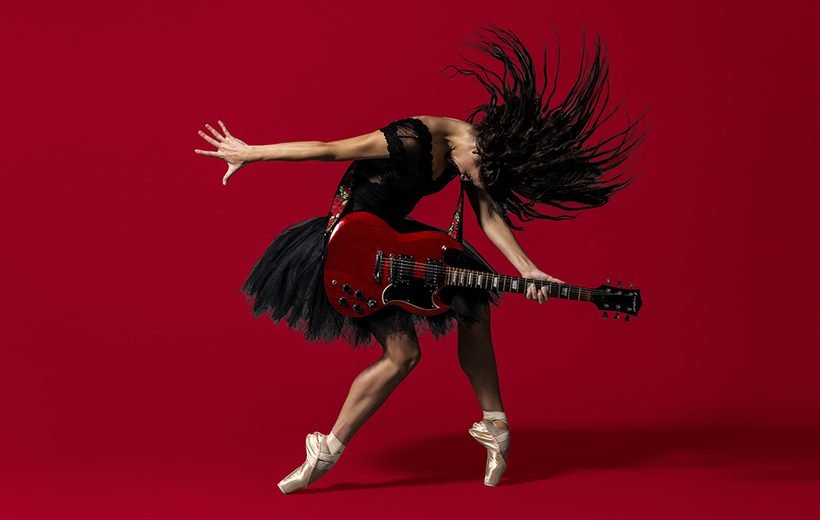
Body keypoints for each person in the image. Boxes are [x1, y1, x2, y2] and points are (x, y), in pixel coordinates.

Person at [194, 24, 644, 493]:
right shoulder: (412, 137)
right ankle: (326, 451)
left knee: (474, 302)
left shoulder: (473, 155)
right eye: (479, 169)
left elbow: (488, 215)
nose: (477, 178)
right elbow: (329, 150)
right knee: (404, 355)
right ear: (475, 144)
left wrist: (527, 269)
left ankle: (496, 423)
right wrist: (251, 153)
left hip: (397, 241)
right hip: (354, 242)